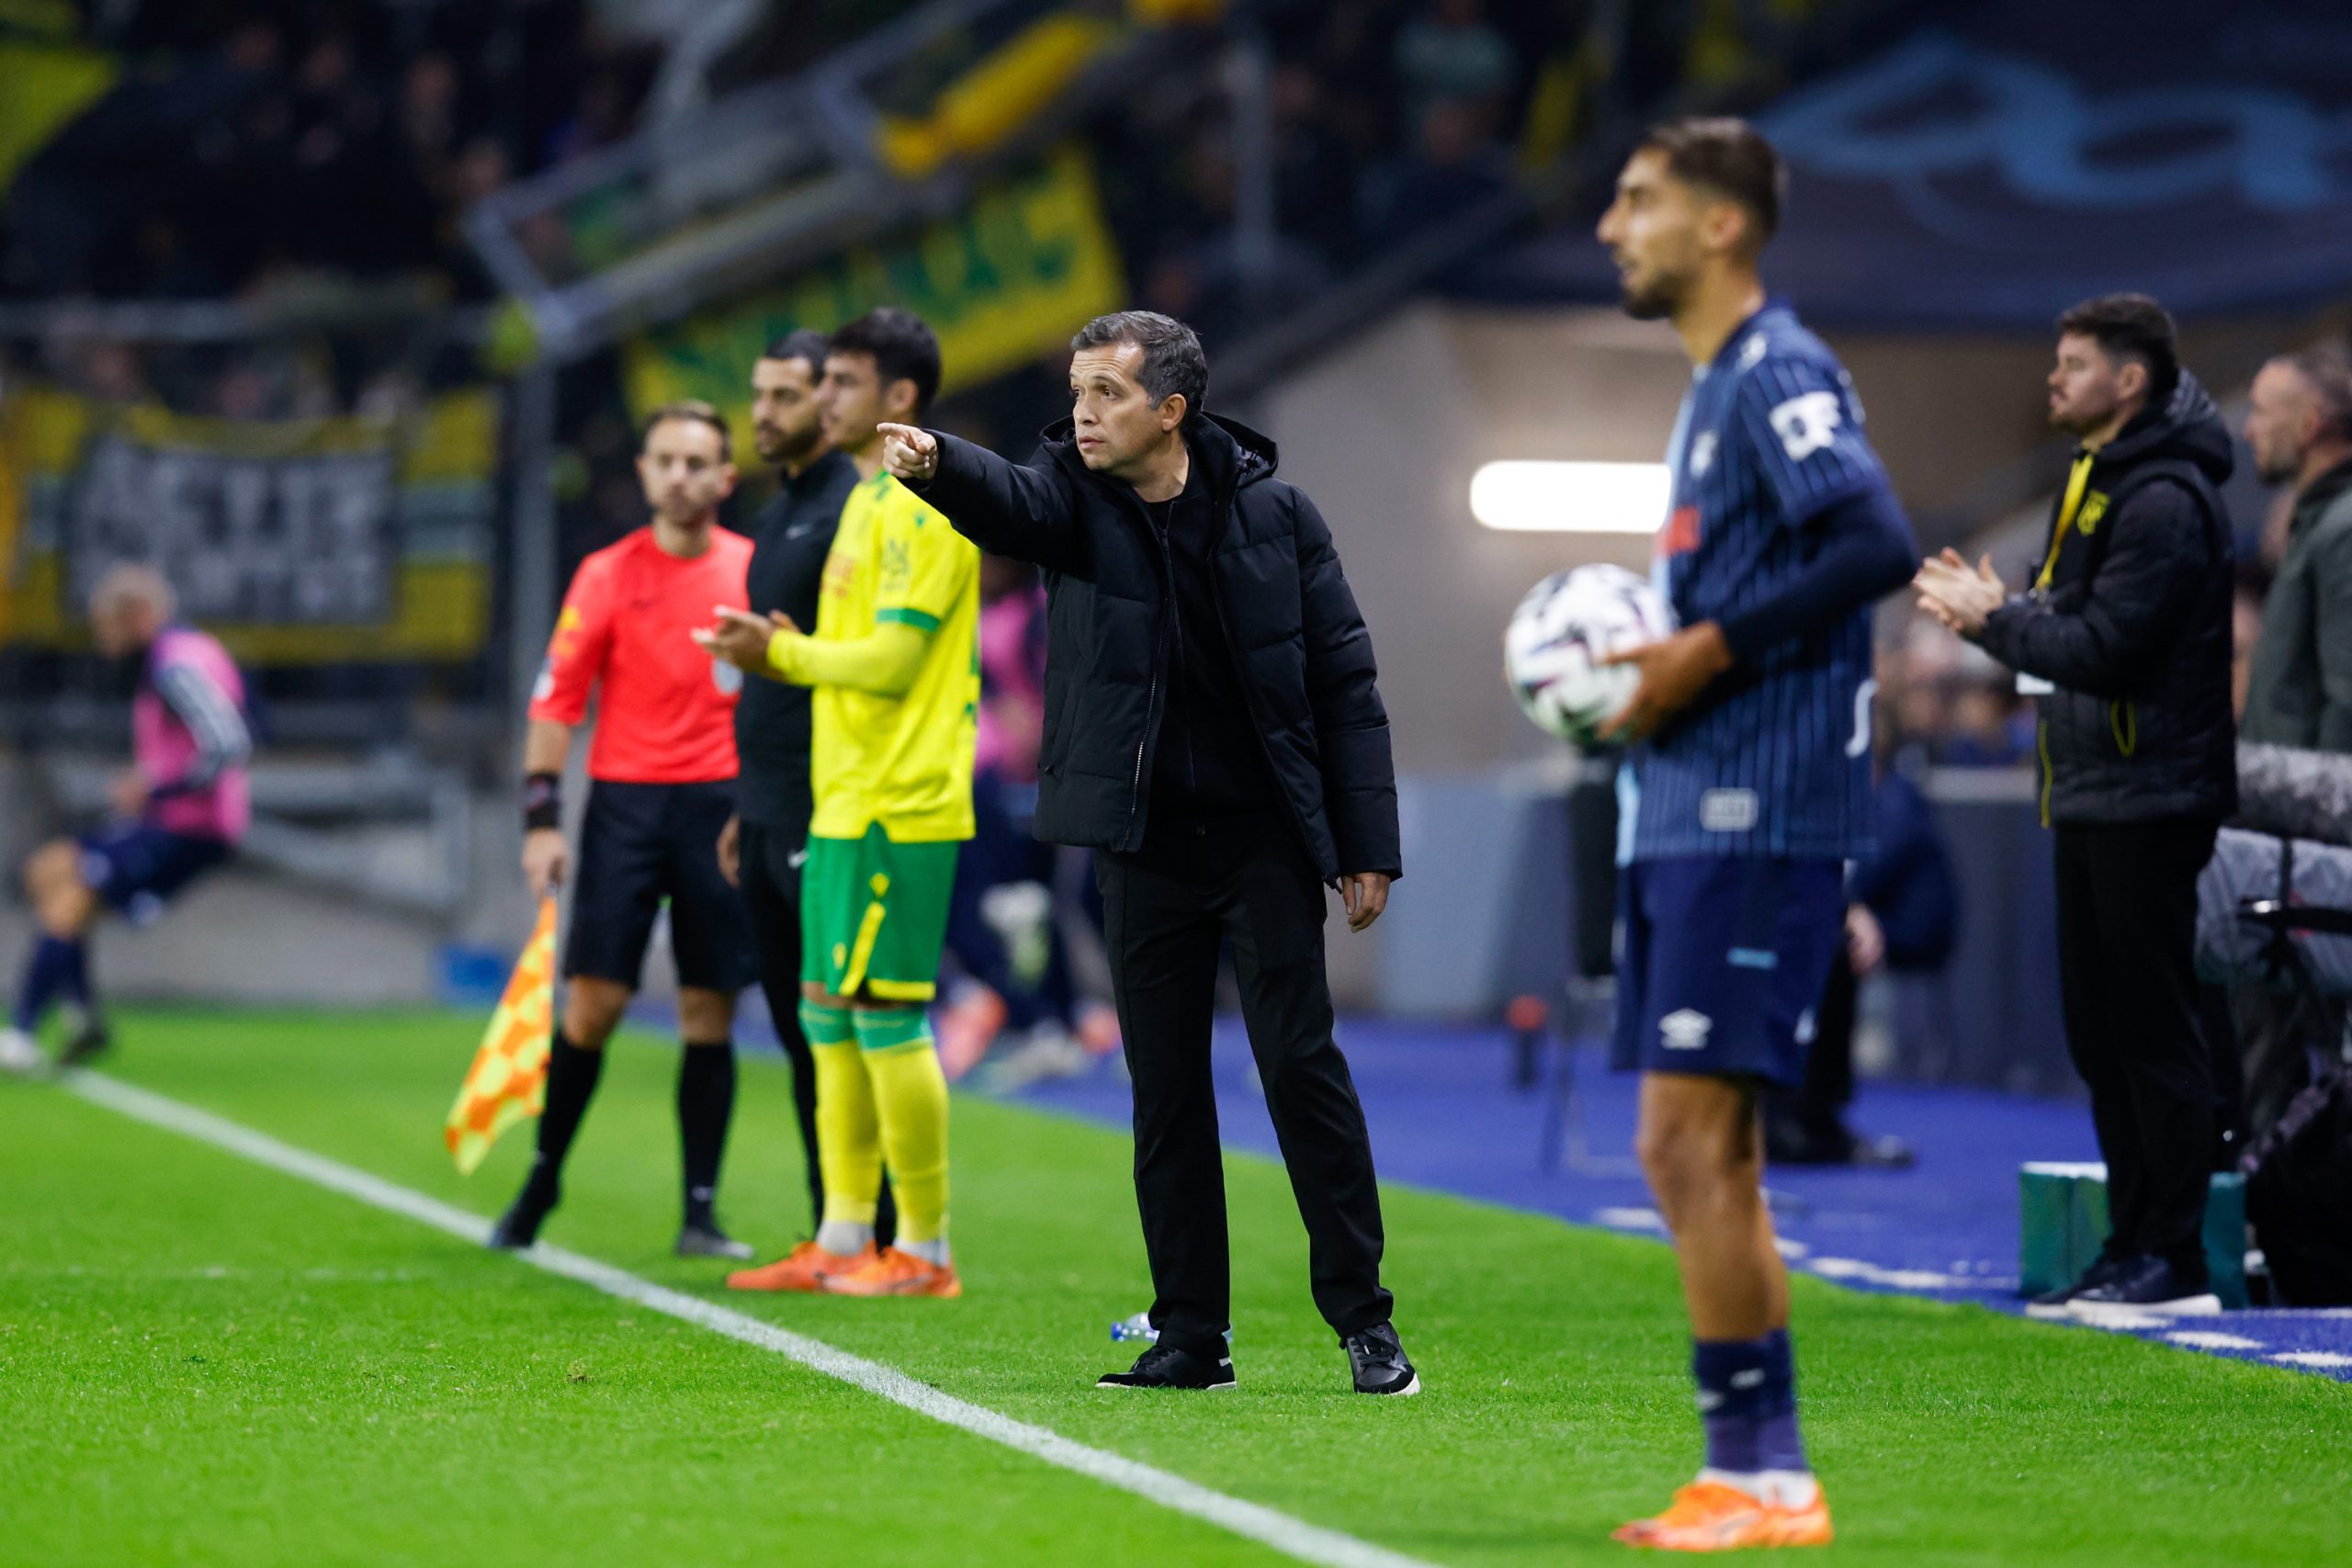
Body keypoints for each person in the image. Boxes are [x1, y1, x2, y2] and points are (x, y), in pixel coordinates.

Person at [875, 309, 1418, 1398]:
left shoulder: (1280, 518)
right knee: (1164, 1096)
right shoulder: (1072, 503)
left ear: (1171, 410)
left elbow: (1344, 688)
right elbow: (1012, 502)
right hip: (1142, 850)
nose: (1082, 413)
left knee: (1300, 1076)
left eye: (1107, 394)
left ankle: (1365, 1323)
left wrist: (1368, 845)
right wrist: (940, 464)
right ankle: (1192, 1337)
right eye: (1077, 391)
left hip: (1262, 842)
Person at [1593, 118, 1917, 1550]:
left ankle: (1763, 1471)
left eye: (1641, 199)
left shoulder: (1776, 367)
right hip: (1694, 798)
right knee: (1697, 1149)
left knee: (1689, 1140)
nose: (1612, 224)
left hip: (1756, 806)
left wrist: (1697, 653)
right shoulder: (1715, 382)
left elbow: (1873, 542)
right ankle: (1760, 1471)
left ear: (1723, 225)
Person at [1917, 293, 2236, 1321]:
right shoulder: (2096, 476)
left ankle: (2175, 1259)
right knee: (2101, 1033)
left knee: (2150, 1029)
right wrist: (2010, 612)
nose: (2051, 379)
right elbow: (2074, 621)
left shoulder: (2164, 498)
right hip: (2093, 789)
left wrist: (1996, 621)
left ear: (2128, 380)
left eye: (2072, 363)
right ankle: (2129, 1244)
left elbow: (2106, 651)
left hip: (2150, 793)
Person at [699, 308, 975, 1300]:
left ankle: (927, 1253)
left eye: (840, 384)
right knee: (827, 1021)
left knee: (890, 1023)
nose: (823, 400)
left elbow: (897, 663)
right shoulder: (862, 505)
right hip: (840, 801)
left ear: (899, 398)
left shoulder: (927, 508)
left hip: (905, 805)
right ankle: (845, 1236)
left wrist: (780, 653)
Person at [492, 400, 758, 1260]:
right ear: (643, 472)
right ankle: (542, 1176)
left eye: (697, 461)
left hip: (721, 807)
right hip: (624, 806)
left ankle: (701, 1208)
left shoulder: (754, 572)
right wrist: (541, 820)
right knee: (594, 1003)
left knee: (707, 1006)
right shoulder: (605, 574)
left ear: (726, 477)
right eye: (665, 460)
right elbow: (555, 700)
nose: (680, 475)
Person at [709, 331, 897, 1258]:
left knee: (841, 1026)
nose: (766, 414)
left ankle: (880, 1227)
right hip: (773, 802)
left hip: (831, 802)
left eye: (786, 396)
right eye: (759, 394)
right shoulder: (776, 513)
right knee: (795, 1027)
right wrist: (748, 802)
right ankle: (838, 1225)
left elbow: (837, 658)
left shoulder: (850, 512)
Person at [2, 566, 251, 1075]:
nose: (102, 640)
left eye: (106, 626)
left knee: (70, 894)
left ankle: (23, 1031)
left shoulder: (175, 665)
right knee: (48, 871)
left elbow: (229, 743)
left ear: (136, 616)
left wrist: (154, 787)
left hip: (189, 826)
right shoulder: (179, 656)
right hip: (175, 819)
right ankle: (81, 1015)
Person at [2240, 347, 2352, 750]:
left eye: (2263, 412)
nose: (2249, 431)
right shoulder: (2316, 524)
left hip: (2318, 805)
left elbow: (2348, 700)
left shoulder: (2343, 529)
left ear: (2309, 425)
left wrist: (2327, 809)